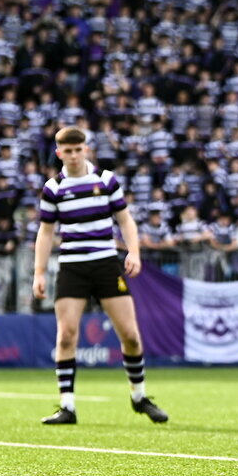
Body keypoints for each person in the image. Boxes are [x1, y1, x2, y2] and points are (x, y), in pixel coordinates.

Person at [34, 126, 168, 425]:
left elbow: (125, 220)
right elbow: (45, 232)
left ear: (86, 149)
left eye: (77, 149)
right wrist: (39, 272)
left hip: (106, 263)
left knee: (131, 336)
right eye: (66, 151)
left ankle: (139, 397)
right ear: (59, 153)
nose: (72, 155)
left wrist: (133, 251)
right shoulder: (52, 188)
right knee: (66, 335)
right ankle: (67, 406)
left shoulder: (106, 180)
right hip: (72, 266)